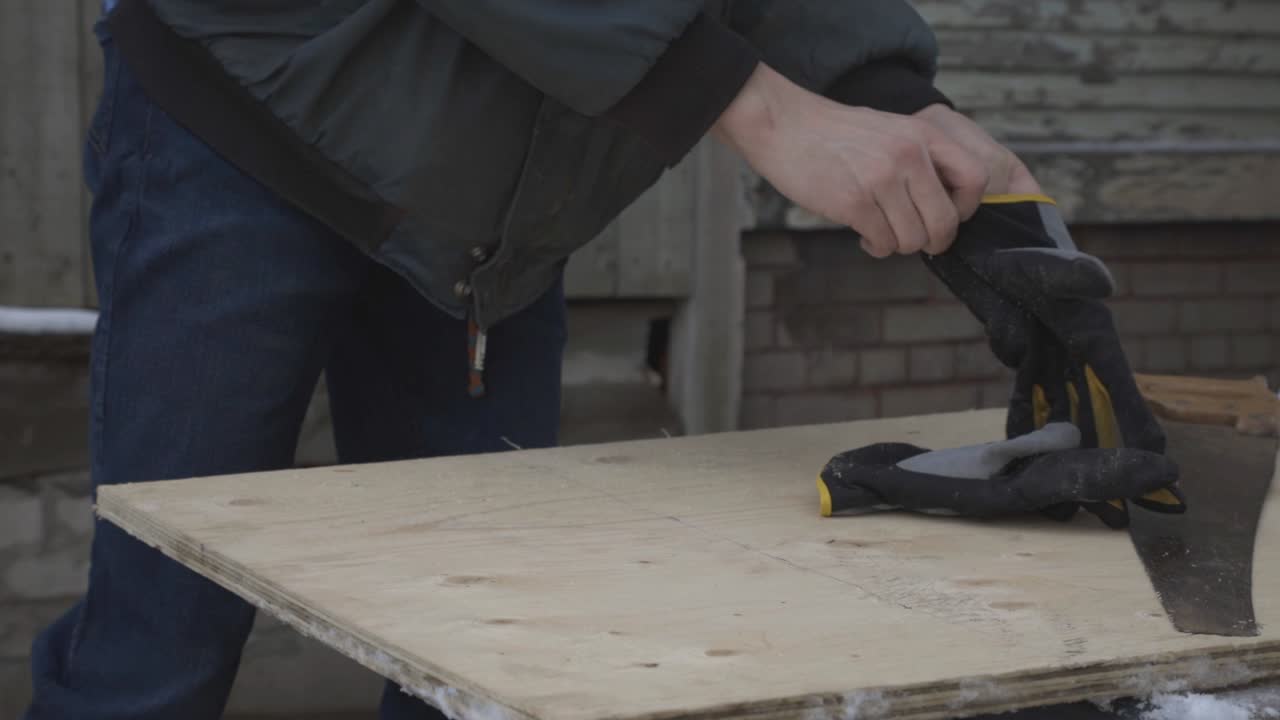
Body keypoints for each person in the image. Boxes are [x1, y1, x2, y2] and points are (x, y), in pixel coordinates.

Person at [25, 1, 1046, 718]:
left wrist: (894, 95)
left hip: (485, 225)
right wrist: (761, 108)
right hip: (238, 128)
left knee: (475, 660)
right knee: (158, 649)